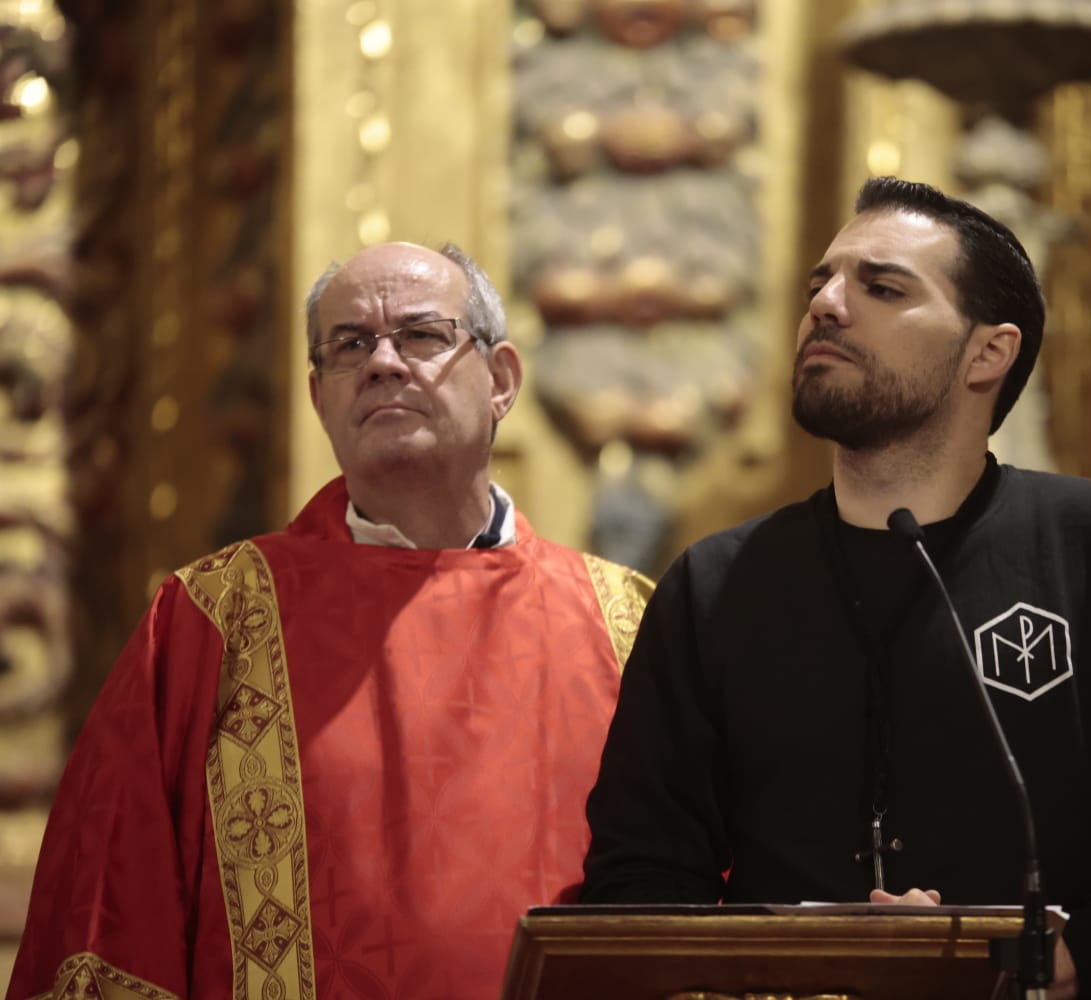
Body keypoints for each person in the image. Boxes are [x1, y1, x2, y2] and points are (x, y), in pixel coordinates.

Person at [579, 178, 1091, 999]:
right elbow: (638, 876)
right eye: (822, 283)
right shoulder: (714, 584)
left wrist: (1064, 954)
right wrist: (785, 958)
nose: (827, 305)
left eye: (882, 287)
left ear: (988, 353)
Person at [8, 242, 653, 1000]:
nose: (383, 362)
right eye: (350, 345)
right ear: (319, 399)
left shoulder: (623, 626)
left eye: (421, 335)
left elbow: (698, 916)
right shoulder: (211, 620)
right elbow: (110, 910)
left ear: (502, 380)